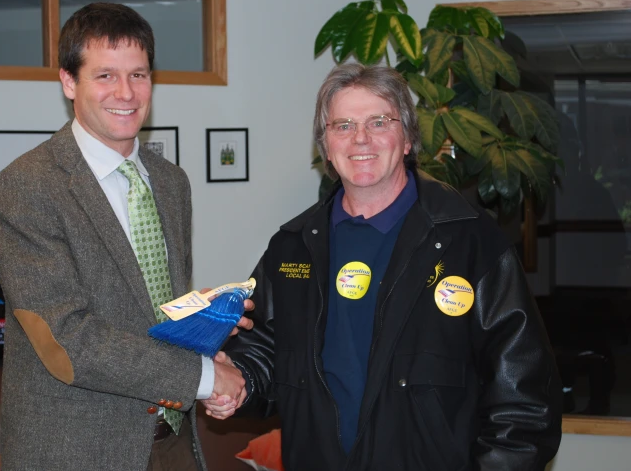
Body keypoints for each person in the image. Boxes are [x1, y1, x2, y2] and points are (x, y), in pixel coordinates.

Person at [208, 63, 563, 470]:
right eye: (342, 125)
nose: (360, 138)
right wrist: (237, 381)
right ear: (325, 145)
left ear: (408, 137)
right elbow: (264, 351)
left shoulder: (471, 241)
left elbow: (525, 399)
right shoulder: (292, 248)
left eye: (378, 122)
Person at [0, 2, 249, 471]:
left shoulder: (171, 183)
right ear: (70, 82)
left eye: (139, 74)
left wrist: (207, 323)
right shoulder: (27, 186)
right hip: (79, 449)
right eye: (105, 75)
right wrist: (206, 378)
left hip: (171, 437)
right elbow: (67, 340)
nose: (126, 93)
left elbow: (152, 311)